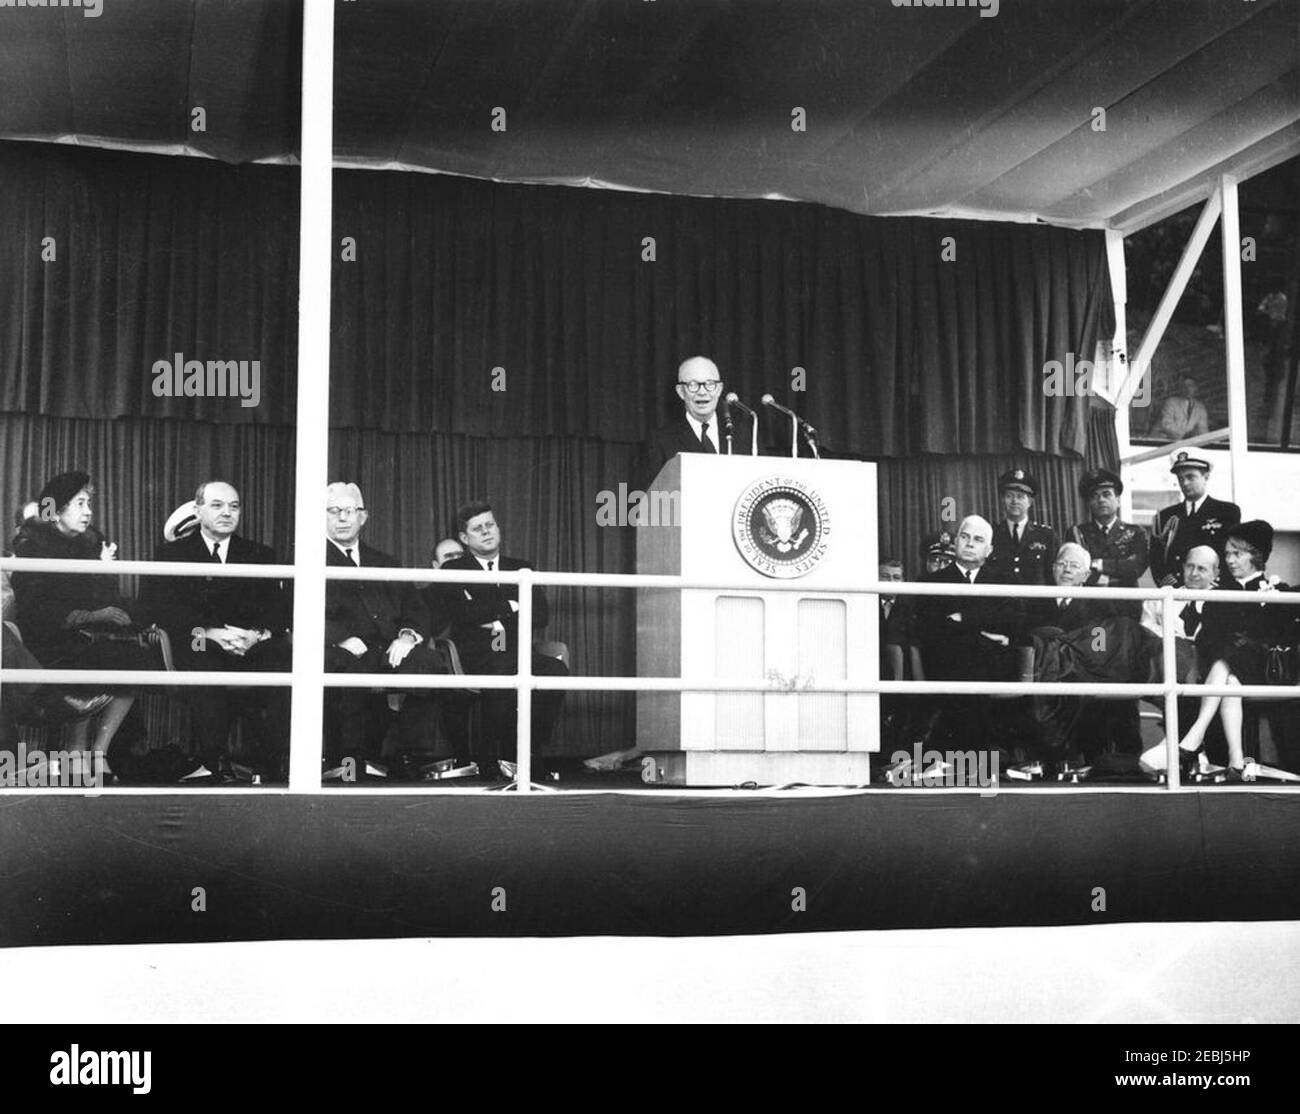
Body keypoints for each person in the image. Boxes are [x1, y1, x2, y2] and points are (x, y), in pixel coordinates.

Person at [8, 471, 158, 772]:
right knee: (96, 658)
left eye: (89, 502)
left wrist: (103, 572)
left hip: (88, 637)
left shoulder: (92, 544)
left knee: (133, 658)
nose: (88, 511)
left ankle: (98, 752)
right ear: (56, 509)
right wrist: (90, 616)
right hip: (45, 643)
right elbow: (35, 609)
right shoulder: (32, 546)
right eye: (80, 503)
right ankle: (75, 751)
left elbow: (106, 599)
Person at [145, 480, 292, 781]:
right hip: (198, 638)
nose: (227, 512)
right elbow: (156, 608)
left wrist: (256, 635)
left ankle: (273, 759)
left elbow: (278, 609)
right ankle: (213, 760)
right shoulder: (171, 554)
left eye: (234, 506)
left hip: (248, 643)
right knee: (202, 656)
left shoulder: (259, 554)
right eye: (217, 505)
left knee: (282, 656)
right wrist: (210, 633)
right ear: (198, 510)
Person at [322, 482, 449, 774]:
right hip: (340, 650)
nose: (342, 518)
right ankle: (348, 761)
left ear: (363, 517)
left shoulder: (384, 561)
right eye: (333, 511)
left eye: (349, 511)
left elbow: (416, 609)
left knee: (428, 662)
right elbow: (297, 611)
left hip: (387, 650)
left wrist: (407, 636)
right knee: (345, 668)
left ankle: (407, 754)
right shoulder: (307, 558)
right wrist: (339, 639)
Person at [436, 501, 568, 777]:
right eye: (477, 528)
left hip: (519, 649)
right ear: (464, 538)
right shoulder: (454, 570)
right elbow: (462, 614)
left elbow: (540, 615)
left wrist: (490, 613)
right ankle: (491, 758)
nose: (486, 532)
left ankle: (528, 753)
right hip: (474, 654)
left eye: (490, 524)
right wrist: (512, 605)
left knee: (555, 670)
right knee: (501, 666)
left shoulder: (522, 567)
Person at [1171, 521, 1295, 780]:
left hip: (1266, 671)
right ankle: (1237, 761)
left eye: (1237, 553)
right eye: (1227, 553)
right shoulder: (1220, 594)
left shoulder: (1277, 592)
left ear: (1256, 555)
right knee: (1230, 675)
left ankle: (1196, 734)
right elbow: (1207, 637)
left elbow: (1281, 636)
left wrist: (1268, 604)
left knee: (1228, 659)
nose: (1230, 559)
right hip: (1231, 672)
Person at [914, 515, 1025, 750]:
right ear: (955, 542)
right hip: (947, 662)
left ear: (989, 548)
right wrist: (985, 631)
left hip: (992, 663)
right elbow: (932, 628)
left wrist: (964, 618)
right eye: (964, 537)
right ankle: (977, 751)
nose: (970, 544)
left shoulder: (1004, 581)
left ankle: (947, 751)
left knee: (971, 655)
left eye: (978, 539)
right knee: (967, 655)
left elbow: (1012, 622)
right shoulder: (931, 583)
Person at [638, 356, 758, 487]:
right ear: (681, 392)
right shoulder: (660, 441)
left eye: (710, 384)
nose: (702, 392)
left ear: (719, 389)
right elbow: (648, 499)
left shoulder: (746, 436)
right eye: (693, 385)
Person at [1149, 451, 1241, 586]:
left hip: (1214, 589)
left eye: (1190, 477)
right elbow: (1156, 557)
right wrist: (1167, 582)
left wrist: (1216, 582)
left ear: (1206, 476)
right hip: (1175, 591)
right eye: (1180, 478)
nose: (1185, 483)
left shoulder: (1227, 512)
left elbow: (1230, 552)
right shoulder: (1165, 517)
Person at [1068, 469, 1149, 617]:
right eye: (1095, 496)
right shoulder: (1077, 533)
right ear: (1089, 503)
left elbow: (1135, 567)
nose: (1101, 500)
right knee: (1095, 640)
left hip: (1126, 609)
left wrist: (1098, 564)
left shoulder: (1136, 532)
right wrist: (1117, 570)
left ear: (1118, 500)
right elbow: (1076, 570)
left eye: (1106, 494)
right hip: (1089, 609)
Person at [984, 469, 1058, 586]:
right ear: (1002, 500)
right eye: (1009, 496)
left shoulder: (1046, 535)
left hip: (1036, 602)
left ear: (1030, 502)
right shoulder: (991, 534)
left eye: (1020, 497)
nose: (1015, 501)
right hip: (1000, 602)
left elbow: (1053, 577)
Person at [1150, 376, 1209, 442]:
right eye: (1185, 386)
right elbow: (1166, 424)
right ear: (1181, 388)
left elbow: (1203, 430)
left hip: (1186, 444)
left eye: (1191, 386)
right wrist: (1186, 437)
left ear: (1196, 388)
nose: (1188, 388)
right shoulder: (1171, 402)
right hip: (1164, 442)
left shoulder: (1200, 408)